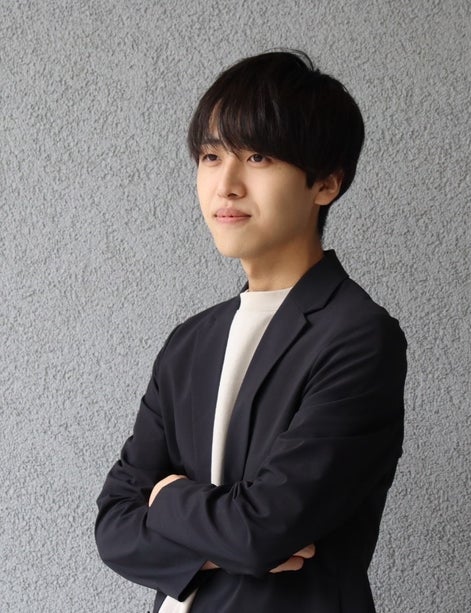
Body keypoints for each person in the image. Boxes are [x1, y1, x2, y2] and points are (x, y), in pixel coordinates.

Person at [95, 50, 407, 613]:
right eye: (211, 156)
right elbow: (114, 526)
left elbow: (262, 530)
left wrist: (166, 498)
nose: (226, 184)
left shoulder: (359, 338)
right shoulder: (190, 342)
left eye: (258, 156)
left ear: (326, 182)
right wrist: (221, 539)